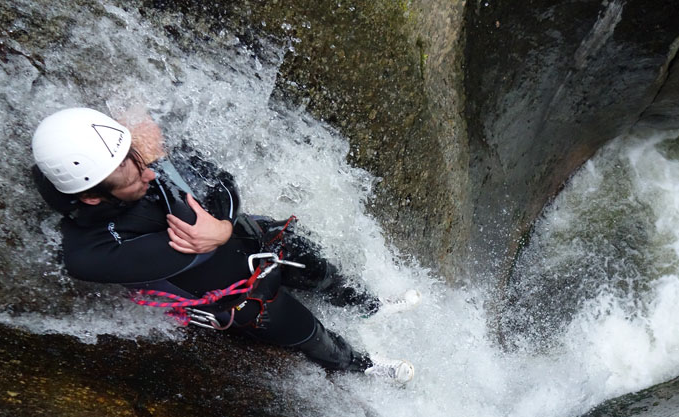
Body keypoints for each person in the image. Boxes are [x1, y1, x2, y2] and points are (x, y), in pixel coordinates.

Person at [31, 107, 418, 382]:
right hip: (242, 299)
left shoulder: (122, 154)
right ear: (92, 198)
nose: (148, 171)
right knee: (310, 335)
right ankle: (361, 366)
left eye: (143, 161)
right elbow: (190, 248)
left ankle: (371, 306)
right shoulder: (89, 252)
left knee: (325, 275)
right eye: (135, 178)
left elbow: (221, 182)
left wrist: (222, 227)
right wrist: (213, 228)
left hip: (261, 239)